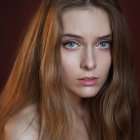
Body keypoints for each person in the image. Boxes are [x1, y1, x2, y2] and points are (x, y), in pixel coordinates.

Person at [0, 0, 139, 140]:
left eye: (103, 44)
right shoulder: (26, 131)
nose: (90, 63)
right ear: (45, 50)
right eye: (72, 44)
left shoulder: (114, 112)